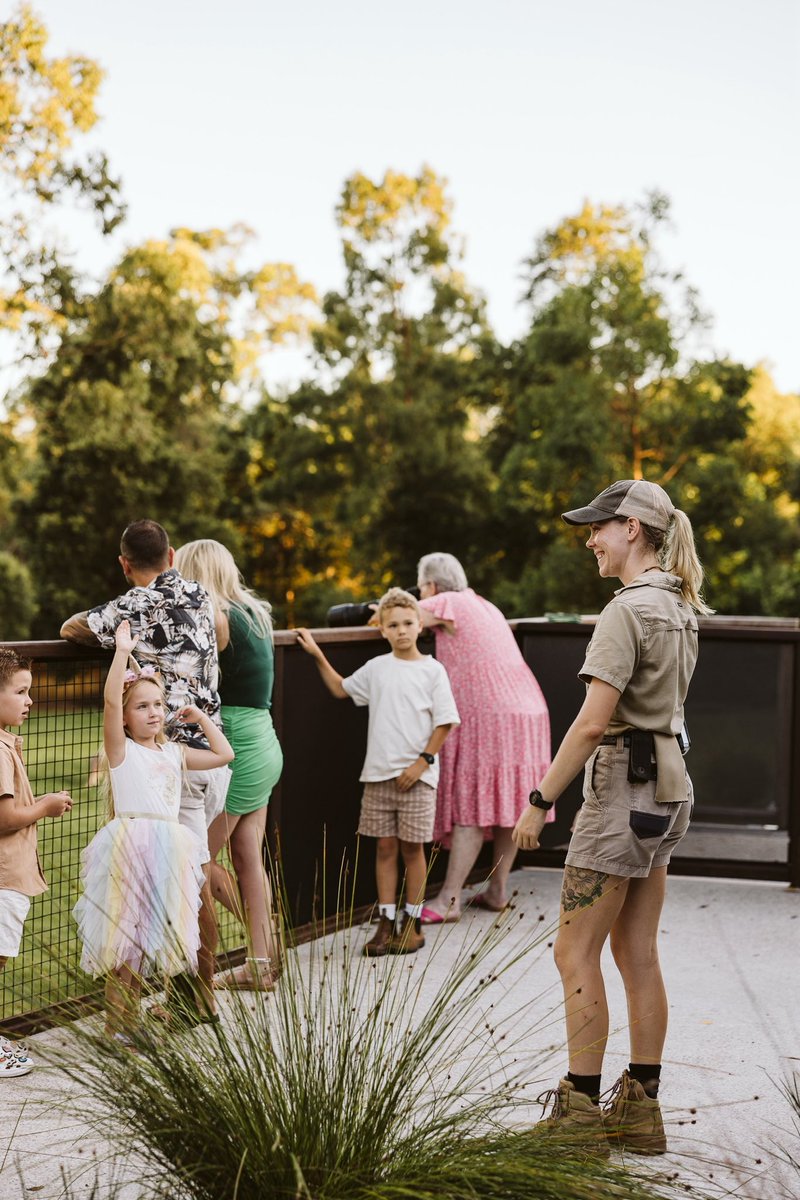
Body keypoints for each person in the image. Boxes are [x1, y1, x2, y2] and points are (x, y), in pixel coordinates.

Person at [512, 479, 710, 1156]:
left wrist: (540, 800)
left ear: (632, 528)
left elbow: (593, 723)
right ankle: (640, 1112)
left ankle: (578, 1117)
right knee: (635, 952)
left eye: (598, 528)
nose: (590, 541)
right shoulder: (681, 605)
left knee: (574, 950)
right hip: (669, 791)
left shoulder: (627, 611)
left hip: (623, 792)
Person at [61, 519, 227, 1022]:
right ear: (172, 555)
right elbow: (220, 631)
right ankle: (187, 995)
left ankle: (193, 1000)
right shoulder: (200, 592)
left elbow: (69, 628)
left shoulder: (131, 605)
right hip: (207, 753)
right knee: (185, 878)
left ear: (124, 563)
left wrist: (124, 646)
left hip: (173, 761)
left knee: (183, 886)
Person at [73, 622, 234, 1045]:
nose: (153, 712)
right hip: (131, 849)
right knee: (124, 942)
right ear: (125, 718)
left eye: (158, 704)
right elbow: (109, 700)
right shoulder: (121, 752)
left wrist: (199, 716)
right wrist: (122, 653)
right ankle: (116, 1028)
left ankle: (131, 1023)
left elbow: (224, 755)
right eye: (141, 706)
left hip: (168, 851)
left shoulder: (173, 753)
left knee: (147, 942)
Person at [296, 587, 460, 956]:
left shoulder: (433, 671)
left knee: (412, 849)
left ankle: (412, 924)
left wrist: (422, 763)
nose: (401, 630)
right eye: (393, 625)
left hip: (417, 778)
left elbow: (446, 722)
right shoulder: (377, 669)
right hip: (378, 776)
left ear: (420, 625)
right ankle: (385, 922)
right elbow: (341, 689)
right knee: (384, 848)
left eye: (407, 623)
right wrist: (317, 653)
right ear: (382, 629)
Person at [413, 553, 551, 923]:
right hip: (527, 710)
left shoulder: (447, 601)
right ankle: (497, 889)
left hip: (487, 714)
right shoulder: (484, 605)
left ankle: (449, 900)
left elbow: (396, 617)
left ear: (431, 585)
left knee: (471, 806)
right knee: (508, 804)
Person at [173, 540, 283, 991]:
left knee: (195, 862)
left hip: (235, 743)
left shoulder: (216, 619)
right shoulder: (254, 613)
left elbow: (191, 672)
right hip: (262, 740)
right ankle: (263, 961)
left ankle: (192, 985)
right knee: (246, 857)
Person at [0, 648, 72, 1077]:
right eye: (21, 692)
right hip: (5, 877)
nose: (30, 701)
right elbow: (5, 818)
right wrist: (45, 806)